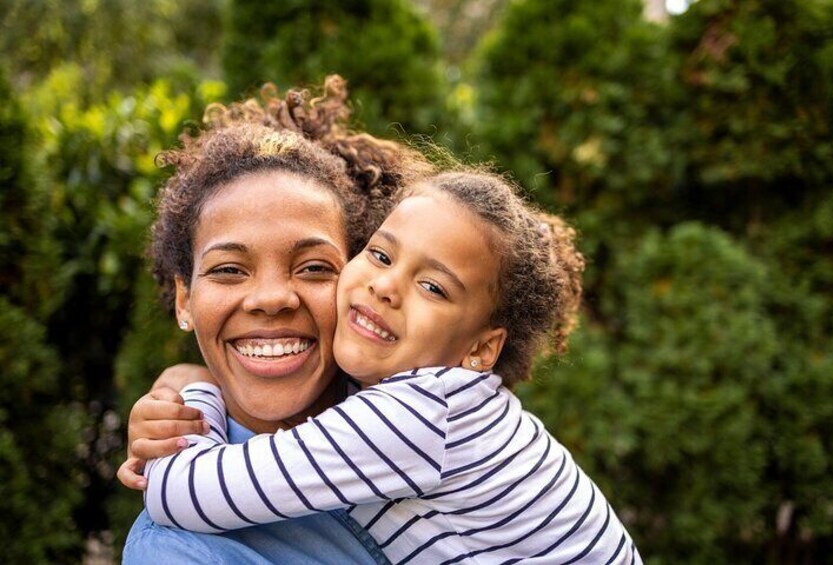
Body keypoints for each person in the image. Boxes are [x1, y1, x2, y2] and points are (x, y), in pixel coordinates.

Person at [135, 170, 643, 564]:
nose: (386, 286)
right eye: (380, 255)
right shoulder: (428, 398)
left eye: (433, 287)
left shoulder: (416, 416)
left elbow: (179, 493)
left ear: (482, 350)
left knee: (161, 539)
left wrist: (193, 402)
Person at [120, 76, 431, 564]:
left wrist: (193, 381)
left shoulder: (427, 414)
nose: (271, 299)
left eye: (313, 268)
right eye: (228, 270)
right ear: (185, 300)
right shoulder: (180, 549)